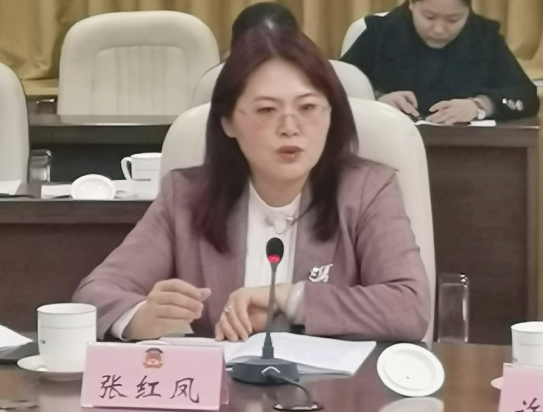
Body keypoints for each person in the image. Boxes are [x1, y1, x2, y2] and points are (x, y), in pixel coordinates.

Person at [73, 28, 431, 343]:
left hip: (331, 390)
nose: (290, 127)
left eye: (308, 108)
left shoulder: (366, 190)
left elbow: (410, 308)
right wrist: (140, 318)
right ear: (228, 121)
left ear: (331, 114)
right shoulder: (186, 196)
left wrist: (292, 299)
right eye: (266, 110)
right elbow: (93, 295)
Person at [341, 0, 539, 124]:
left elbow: (525, 95)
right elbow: (334, 88)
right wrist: (376, 101)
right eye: (429, 17)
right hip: (389, 148)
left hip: (465, 152)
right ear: (411, 4)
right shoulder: (381, 32)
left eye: (453, 20)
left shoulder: (484, 37)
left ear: (468, 11)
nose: (439, 29)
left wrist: (479, 105)